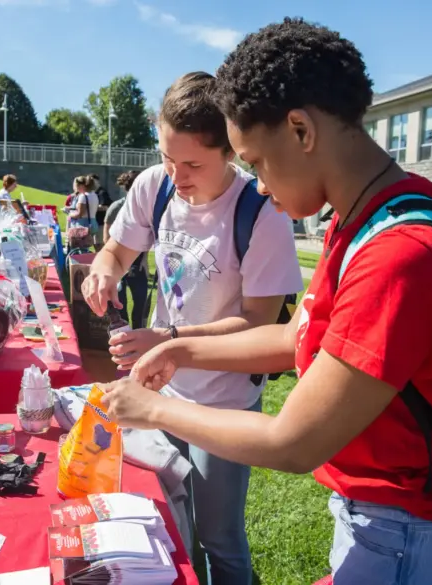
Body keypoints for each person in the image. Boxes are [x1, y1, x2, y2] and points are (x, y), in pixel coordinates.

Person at [100, 19, 432, 585]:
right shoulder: (368, 220)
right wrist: (182, 352)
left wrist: (153, 410)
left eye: (257, 162)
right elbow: (297, 337)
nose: (262, 186)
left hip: (419, 538)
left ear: (300, 130)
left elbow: (293, 441)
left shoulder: (397, 256)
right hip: (389, 527)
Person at [81, 71, 302, 585]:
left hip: (222, 402)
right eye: (166, 158)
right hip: (159, 388)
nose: (176, 176)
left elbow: (258, 324)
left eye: (193, 164)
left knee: (218, 537)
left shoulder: (259, 214)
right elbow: (117, 250)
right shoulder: (154, 186)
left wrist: (169, 342)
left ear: (230, 151)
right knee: (172, 528)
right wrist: (104, 270)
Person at [104, 170, 147, 328]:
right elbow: (107, 239)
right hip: (120, 265)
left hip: (137, 265)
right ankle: (126, 332)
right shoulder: (117, 207)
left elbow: (146, 238)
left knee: (139, 303)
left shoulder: (144, 208)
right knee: (121, 302)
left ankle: (137, 332)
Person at [90, 173, 113, 251]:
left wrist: (92, 208)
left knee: (99, 245)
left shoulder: (102, 193)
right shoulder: (93, 193)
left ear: (97, 181)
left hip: (101, 223)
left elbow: (105, 207)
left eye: (93, 181)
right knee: (95, 244)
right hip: (95, 222)